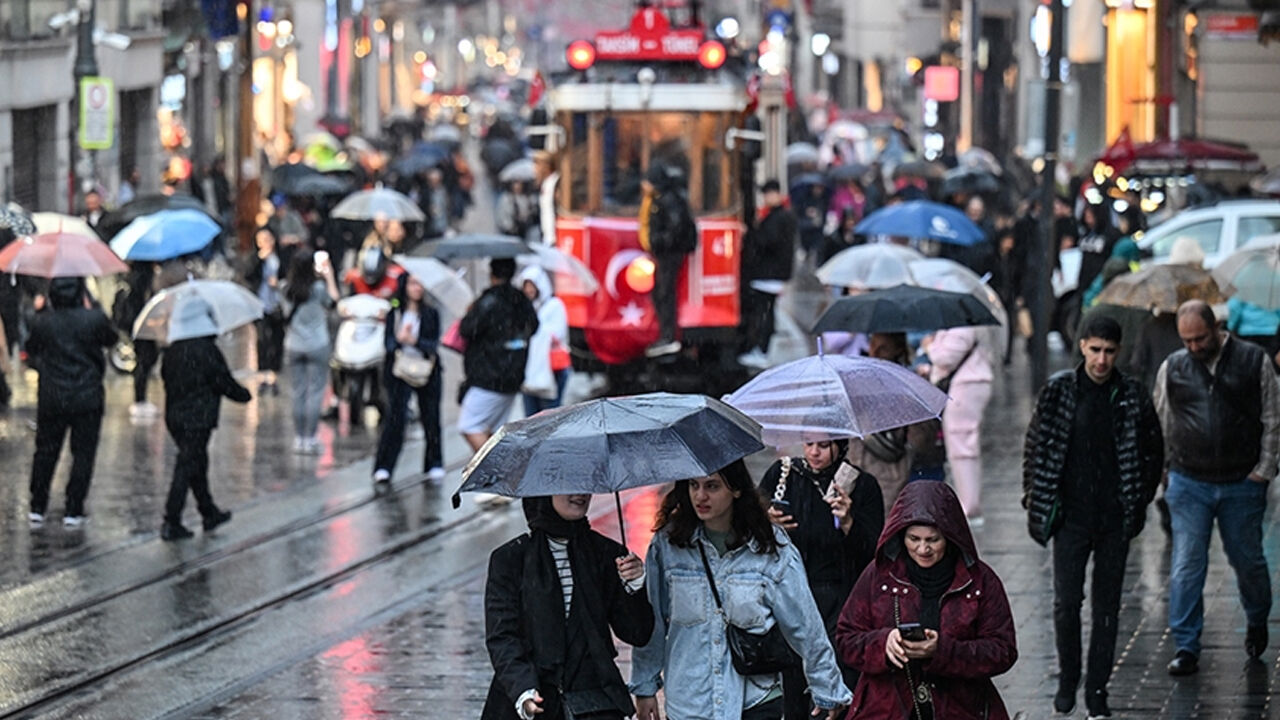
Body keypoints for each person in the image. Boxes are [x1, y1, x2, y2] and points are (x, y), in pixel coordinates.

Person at [632, 460, 852, 720]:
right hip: (690, 701)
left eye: (712, 486)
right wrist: (645, 687)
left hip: (755, 699)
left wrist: (827, 685)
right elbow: (652, 623)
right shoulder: (668, 546)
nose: (700, 496)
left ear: (736, 490)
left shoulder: (771, 547)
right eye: (693, 485)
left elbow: (805, 624)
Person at [1022, 314, 1164, 717]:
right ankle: (1070, 676)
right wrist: (1035, 496)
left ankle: (1097, 688)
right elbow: (1035, 445)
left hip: (1114, 518)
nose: (1102, 360)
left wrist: (1140, 498)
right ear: (1082, 345)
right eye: (1095, 349)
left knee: (1107, 606)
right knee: (1066, 603)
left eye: (1109, 351)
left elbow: (1153, 448)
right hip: (1070, 516)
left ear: (1118, 352)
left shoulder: (1131, 394)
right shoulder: (1060, 391)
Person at [1154, 300, 1280, 675]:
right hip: (1189, 480)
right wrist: (1163, 473)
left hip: (1241, 480)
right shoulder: (1173, 367)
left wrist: (1265, 468)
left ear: (1216, 329)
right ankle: (1186, 644)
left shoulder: (1252, 360)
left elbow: (1273, 417)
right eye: (1186, 340)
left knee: (1249, 562)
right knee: (1187, 564)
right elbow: (1161, 420)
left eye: (1200, 338)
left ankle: (1257, 617)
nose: (1193, 347)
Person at [835, 481, 1018, 719]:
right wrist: (884, 643)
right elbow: (846, 638)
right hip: (887, 708)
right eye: (914, 539)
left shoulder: (980, 581)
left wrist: (943, 651)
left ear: (950, 538)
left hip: (961, 708)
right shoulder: (878, 575)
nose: (923, 549)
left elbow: (1002, 650)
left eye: (932, 540)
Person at [482, 495, 654, 720]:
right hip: (530, 702)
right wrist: (523, 690)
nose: (579, 494)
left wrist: (634, 586)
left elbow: (637, 633)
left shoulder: (606, 553)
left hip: (594, 701)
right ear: (543, 492)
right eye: (567, 486)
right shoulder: (511, 558)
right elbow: (502, 636)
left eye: (584, 485)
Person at [760, 439, 884, 719]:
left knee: (837, 687)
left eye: (824, 445)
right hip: (790, 597)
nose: (814, 452)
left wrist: (849, 521)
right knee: (792, 687)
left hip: (840, 602)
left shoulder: (862, 486)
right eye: (808, 443)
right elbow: (752, 535)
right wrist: (767, 523)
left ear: (840, 446)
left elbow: (874, 554)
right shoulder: (782, 475)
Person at [25, 277, 117, 528]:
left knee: (46, 451)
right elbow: (111, 338)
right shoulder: (94, 319)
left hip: (53, 397)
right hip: (87, 397)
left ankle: (37, 505)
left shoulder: (43, 321)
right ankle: (73, 509)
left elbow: (30, 349)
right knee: (83, 454)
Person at [159, 301, 252, 540]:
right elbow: (222, 381)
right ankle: (172, 519)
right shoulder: (206, 350)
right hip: (198, 418)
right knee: (187, 464)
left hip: (175, 417)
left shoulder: (172, 351)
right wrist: (244, 395)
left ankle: (208, 511)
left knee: (195, 462)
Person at [459, 257, 539, 453]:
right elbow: (534, 327)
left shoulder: (488, 302)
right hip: (513, 373)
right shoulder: (521, 300)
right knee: (494, 429)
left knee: (469, 425)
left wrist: (471, 312)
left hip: (488, 375)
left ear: (492, 274)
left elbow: (467, 329)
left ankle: (496, 471)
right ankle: (497, 475)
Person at [373, 273, 444, 485]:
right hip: (399, 371)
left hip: (426, 370)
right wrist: (399, 339)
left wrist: (414, 341)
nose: (417, 288)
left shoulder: (430, 313)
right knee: (395, 418)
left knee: (431, 418)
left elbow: (432, 345)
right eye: (413, 284)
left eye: (420, 284)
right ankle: (384, 466)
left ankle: (434, 462)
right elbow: (388, 344)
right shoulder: (395, 313)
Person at [920, 325, 994, 524]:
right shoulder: (960, 324)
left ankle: (968, 507)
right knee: (960, 447)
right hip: (966, 385)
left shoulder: (963, 325)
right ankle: (967, 504)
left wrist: (930, 346)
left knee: (962, 447)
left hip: (966, 387)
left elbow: (946, 357)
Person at [638, 163, 698, 358]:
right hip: (667, 252)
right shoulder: (664, 198)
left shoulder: (667, 200)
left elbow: (675, 227)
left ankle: (669, 336)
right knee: (662, 291)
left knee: (665, 292)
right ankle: (667, 335)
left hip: (669, 253)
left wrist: (658, 241)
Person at [283, 250, 339, 454]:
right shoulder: (318, 289)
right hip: (317, 344)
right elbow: (334, 302)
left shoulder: (286, 289)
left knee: (298, 392)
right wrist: (329, 276)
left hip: (294, 345)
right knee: (315, 392)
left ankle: (299, 438)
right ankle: (311, 437)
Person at [739, 179, 798, 369]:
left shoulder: (778, 217)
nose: (765, 198)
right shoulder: (783, 215)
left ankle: (761, 350)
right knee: (767, 311)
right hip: (774, 273)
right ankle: (761, 349)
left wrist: (752, 233)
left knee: (764, 312)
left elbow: (767, 242)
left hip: (768, 274)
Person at [518, 266, 570, 416]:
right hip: (529, 372)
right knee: (531, 420)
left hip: (552, 370)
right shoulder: (525, 309)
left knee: (550, 417)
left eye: (532, 286)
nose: (529, 290)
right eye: (526, 286)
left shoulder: (554, 306)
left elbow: (556, 333)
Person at [248, 227, 284, 394]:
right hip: (260, 304)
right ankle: (262, 376)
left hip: (276, 303)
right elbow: (248, 275)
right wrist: (259, 260)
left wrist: (279, 283)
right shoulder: (255, 259)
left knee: (276, 340)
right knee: (262, 341)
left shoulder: (280, 258)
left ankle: (274, 376)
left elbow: (288, 276)